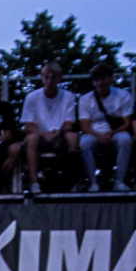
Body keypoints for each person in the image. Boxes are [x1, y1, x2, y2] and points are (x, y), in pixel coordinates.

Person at [20, 62, 79, 193]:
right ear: (42, 78)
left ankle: (72, 182)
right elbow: (28, 126)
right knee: (31, 139)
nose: (50, 81)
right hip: (39, 136)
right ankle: (34, 183)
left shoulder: (68, 96)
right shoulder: (32, 97)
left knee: (73, 137)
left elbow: (69, 123)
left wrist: (58, 133)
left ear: (59, 79)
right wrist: (44, 134)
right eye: (46, 77)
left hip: (60, 135)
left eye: (53, 78)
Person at [76, 63, 134, 192]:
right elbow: (85, 125)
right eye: (97, 80)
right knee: (84, 143)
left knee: (125, 139)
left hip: (116, 132)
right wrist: (97, 134)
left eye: (103, 79)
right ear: (93, 83)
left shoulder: (123, 95)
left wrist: (112, 132)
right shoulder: (85, 99)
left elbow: (127, 123)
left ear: (111, 79)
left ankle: (119, 181)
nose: (100, 83)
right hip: (94, 133)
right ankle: (93, 183)